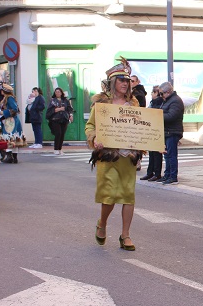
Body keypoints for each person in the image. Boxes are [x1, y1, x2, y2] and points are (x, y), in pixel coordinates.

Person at [85, 58, 143, 250]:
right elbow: (90, 126)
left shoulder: (133, 105)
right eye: (121, 80)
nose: (125, 83)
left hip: (128, 155)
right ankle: (102, 223)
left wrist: (154, 143)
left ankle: (125, 235)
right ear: (113, 82)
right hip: (108, 156)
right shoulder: (101, 104)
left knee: (128, 195)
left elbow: (143, 127)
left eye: (127, 81)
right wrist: (95, 139)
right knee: (109, 195)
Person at [159, 81, 185, 185]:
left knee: (171, 155)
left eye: (162, 93)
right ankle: (167, 174)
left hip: (173, 131)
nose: (161, 96)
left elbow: (171, 116)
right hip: (168, 131)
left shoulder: (175, 101)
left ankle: (173, 177)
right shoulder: (168, 100)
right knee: (167, 155)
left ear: (168, 92)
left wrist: (158, 116)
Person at [140, 85, 164, 181]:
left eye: (152, 92)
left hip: (156, 130)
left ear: (156, 93)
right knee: (152, 153)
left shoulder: (160, 103)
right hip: (151, 130)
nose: (151, 94)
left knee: (156, 154)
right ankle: (150, 172)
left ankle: (156, 173)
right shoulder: (153, 102)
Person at [0, 84, 25, 163]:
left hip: (11, 121)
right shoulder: (7, 98)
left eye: (2, 90)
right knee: (13, 137)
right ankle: (14, 157)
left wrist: (3, 112)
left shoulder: (9, 98)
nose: (1, 91)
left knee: (9, 137)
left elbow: (15, 109)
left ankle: (10, 156)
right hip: (10, 120)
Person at [46, 87, 73, 154]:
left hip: (64, 119)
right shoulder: (53, 101)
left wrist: (71, 115)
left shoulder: (65, 100)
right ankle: (56, 149)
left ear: (61, 93)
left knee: (62, 134)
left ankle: (60, 149)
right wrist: (59, 109)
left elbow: (69, 108)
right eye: (56, 92)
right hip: (55, 119)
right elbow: (49, 110)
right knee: (58, 133)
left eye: (58, 92)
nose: (57, 93)